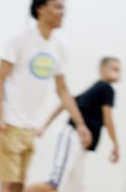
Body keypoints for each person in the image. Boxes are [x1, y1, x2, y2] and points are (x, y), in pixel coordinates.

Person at [0, 0, 92, 192]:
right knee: (7, 182)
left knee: (18, 185)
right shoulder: (19, 38)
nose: (63, 12)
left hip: (29, 124)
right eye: (58, 6)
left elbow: (62, 90)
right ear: (41, 8)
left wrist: (80, 124)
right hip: (6, 120)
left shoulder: (59, 47)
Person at [26, 57, 121, 192]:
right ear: (103, 70)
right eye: (114, 69)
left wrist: (44, 126)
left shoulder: (94, 90)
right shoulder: (106, 89)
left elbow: (66, 103)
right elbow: (108, 119)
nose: (118, 74)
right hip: (72, 137)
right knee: (54, 184)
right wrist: (116, 145)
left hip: (80, 144)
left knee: (75, 187)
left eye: (119, 70)